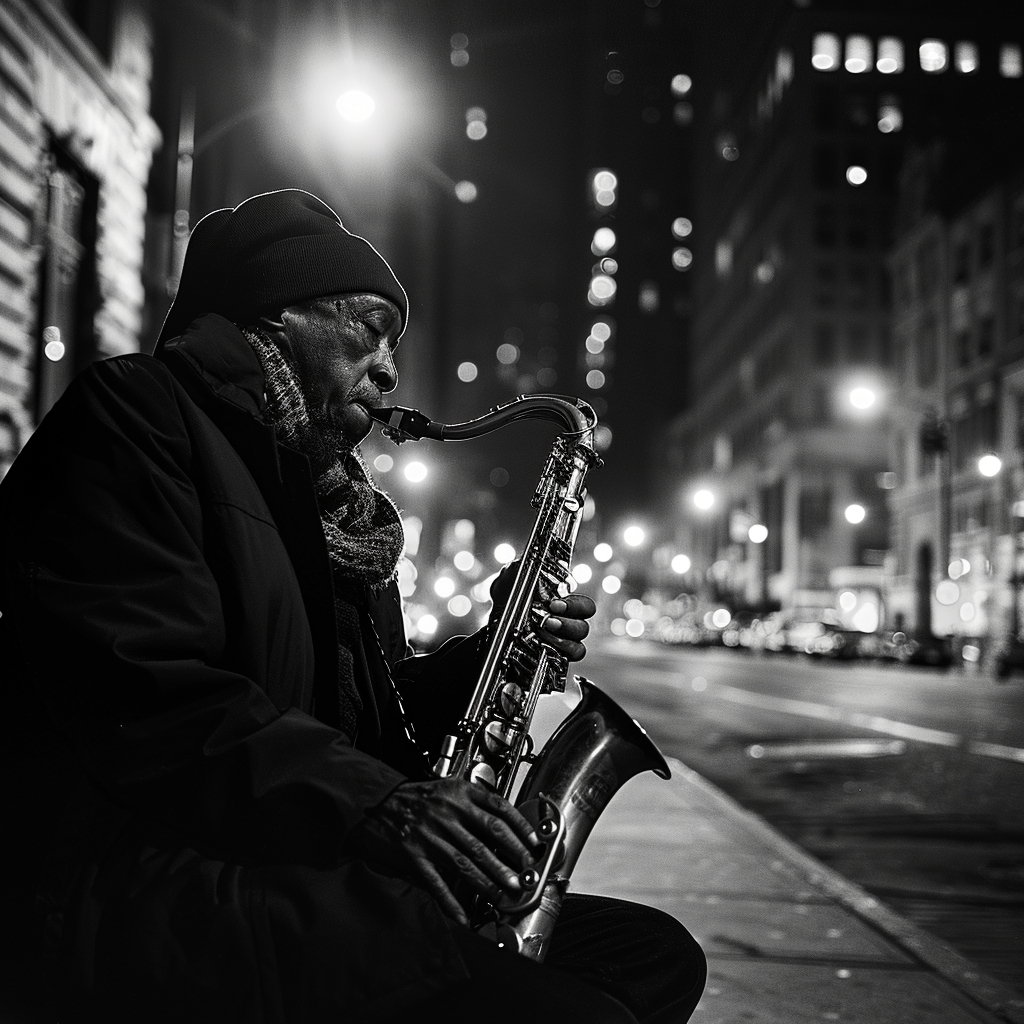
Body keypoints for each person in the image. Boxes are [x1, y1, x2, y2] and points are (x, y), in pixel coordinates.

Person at [0, 189, 705, 1023]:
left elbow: (372, 719)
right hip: (151, 889)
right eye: (369, 331)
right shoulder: (137, 413)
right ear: (279, 316)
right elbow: (146, 695)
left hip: (290, 855)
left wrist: (496, 655)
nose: (390, 371)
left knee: (654, 955)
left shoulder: (337, 507)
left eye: (394, 345)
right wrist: (373, 803)